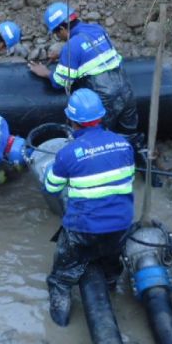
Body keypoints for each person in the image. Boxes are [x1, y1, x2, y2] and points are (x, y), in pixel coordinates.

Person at [43, 88, 135, 327]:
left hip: (84, 229)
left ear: (72, 121)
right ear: (101, 117)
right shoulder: (124, 144)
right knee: (111, 265)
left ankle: (60, 316)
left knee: (62, 275)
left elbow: (51, 188)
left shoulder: (68, 153)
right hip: (121, 226)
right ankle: (111, 285)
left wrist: (50, 170)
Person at [28, 2, 143, 149]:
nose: (58, 37)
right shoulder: (97, 29)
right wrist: (65, 56)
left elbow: (60, 83)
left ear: (63, 28)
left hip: (105, 98)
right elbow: (94, 53)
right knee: (129, 134)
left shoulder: (72, 47)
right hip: (126, 90)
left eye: (57, 34)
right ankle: (136, 161)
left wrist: (45, 73)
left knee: (101, 142)